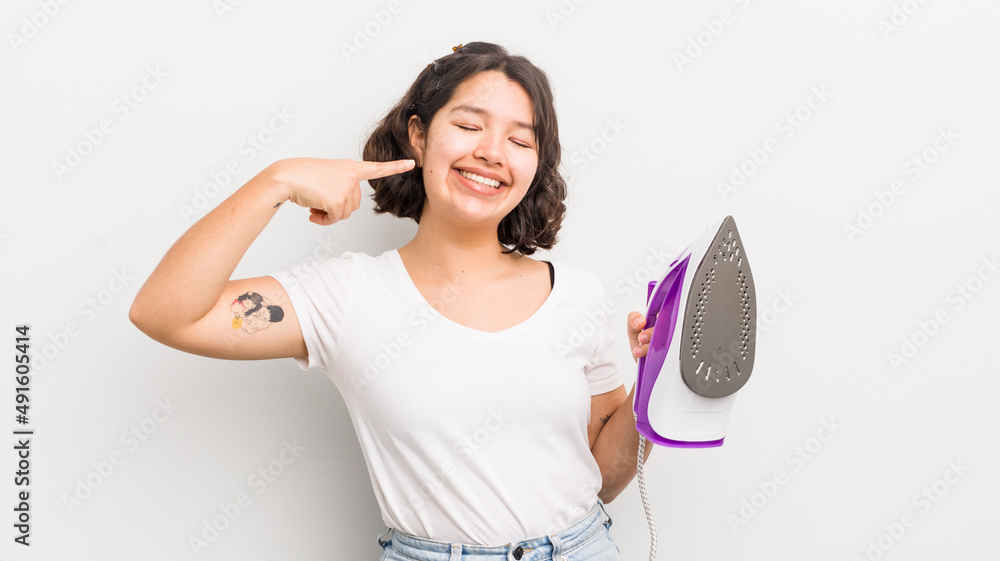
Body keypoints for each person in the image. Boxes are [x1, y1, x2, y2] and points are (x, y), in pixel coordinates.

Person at [130, 41, 654, 561]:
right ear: (418, 136)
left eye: (521, 140)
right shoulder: (343, 297)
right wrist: (277, 179)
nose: (492, 152)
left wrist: (657, 379)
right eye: (469, 126)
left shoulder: (576, 294)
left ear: (535, 165)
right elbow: (167, 313)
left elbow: (602, 478)